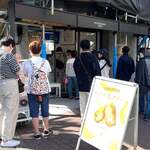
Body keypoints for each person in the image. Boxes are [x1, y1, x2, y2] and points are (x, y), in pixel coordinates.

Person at [22, 41, 52, 139]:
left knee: (34, 111)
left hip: (32, 90)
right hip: (44, 89)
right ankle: (46, 130)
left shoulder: (26, 62)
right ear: (40, 51)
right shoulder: (45, 61)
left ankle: (36, 132)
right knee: (45, 109)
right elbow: (47, 74)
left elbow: (25, 75)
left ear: (30, 51)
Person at [0, 37, 20, 147]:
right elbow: (17, 69)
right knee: (10, 112)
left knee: (2, 111)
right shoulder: (8, 55)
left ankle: (2, 136)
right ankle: (7, 139)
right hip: (9, 84)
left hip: (0, 84)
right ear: (11, 46)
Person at [74, 39, 101, 118]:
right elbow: (97, 72)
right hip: (92, 85)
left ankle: (83, 121)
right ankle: (92, 121)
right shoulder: (93, 57)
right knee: (92, 104)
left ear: (81, 47)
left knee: (83, 104)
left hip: (81, 85)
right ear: (89, 47)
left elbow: (76, 70)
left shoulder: (78, 58)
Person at [135, 48, 150, 120]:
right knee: (148, 100)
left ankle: (144, 112)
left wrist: (137, 82)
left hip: (144, 83)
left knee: (144, 98)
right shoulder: (144, 61)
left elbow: (140, 74)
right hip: (147, 83)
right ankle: (146, 114)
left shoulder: (142, 61)